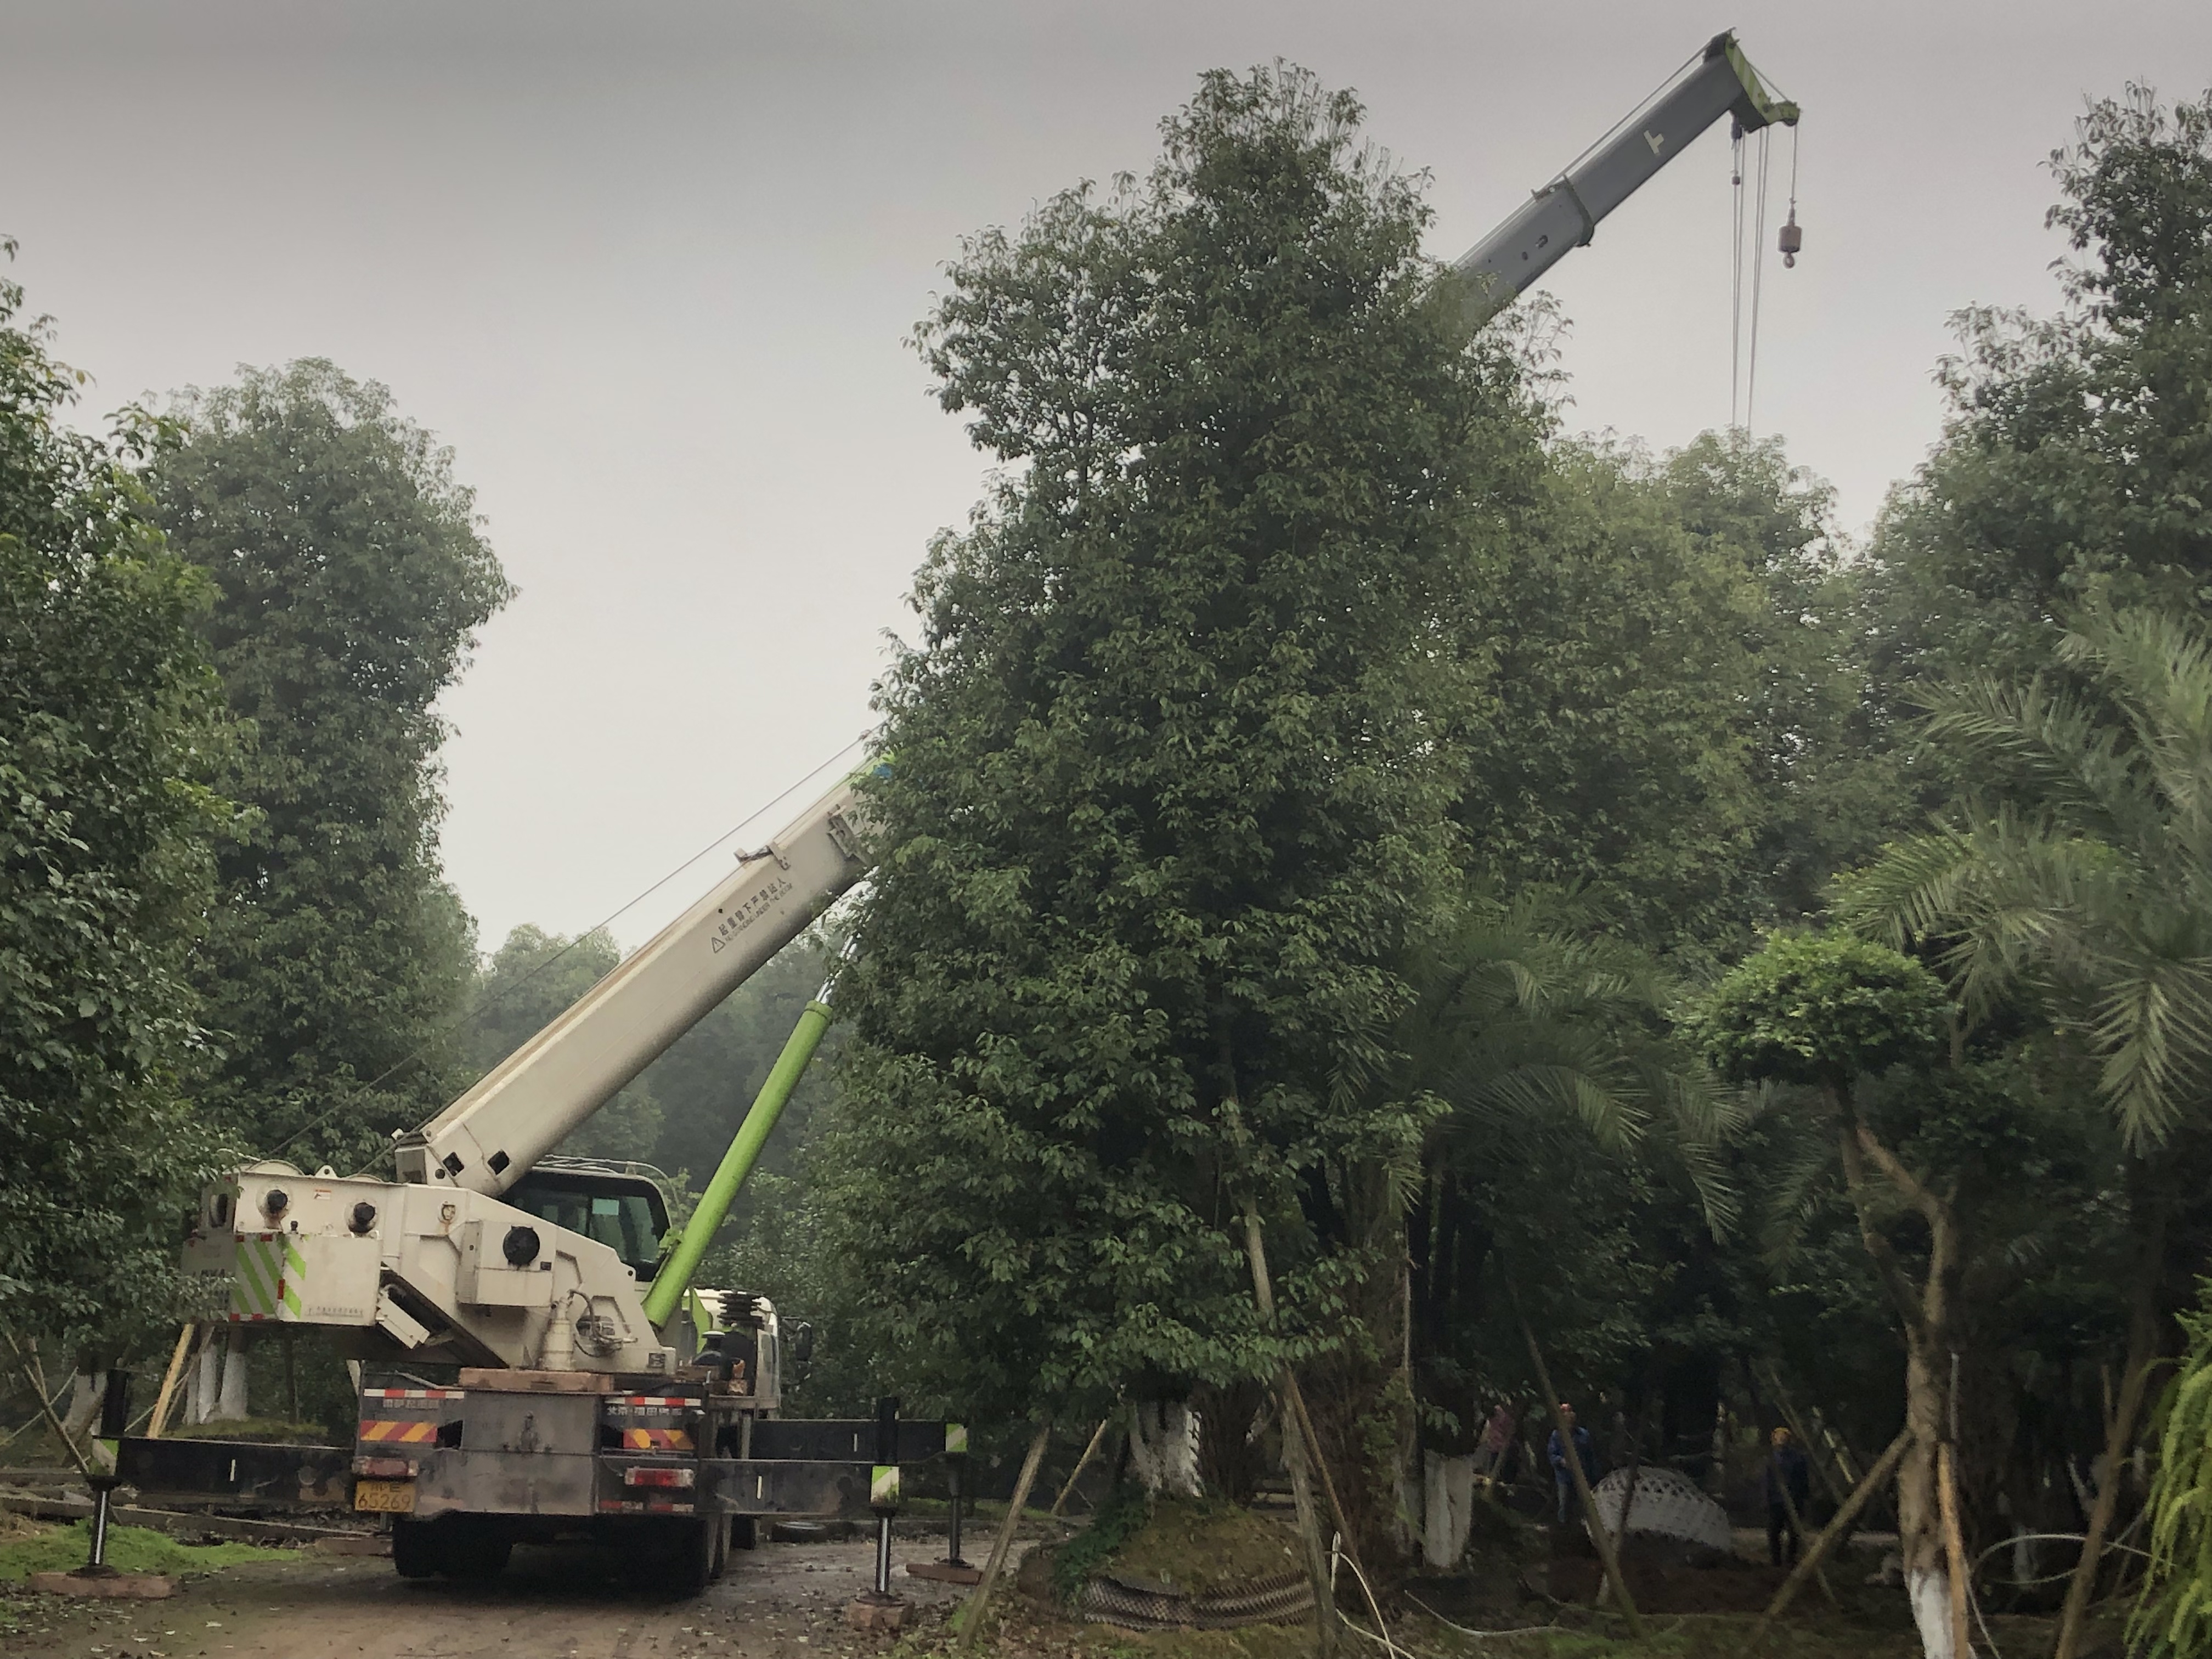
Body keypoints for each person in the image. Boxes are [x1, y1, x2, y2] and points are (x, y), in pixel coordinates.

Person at [1765, 1425, 1812, 1566]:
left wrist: (1802, 1496)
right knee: (1774, 1531)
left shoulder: (1798, 1458)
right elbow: (1767, 1480)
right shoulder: (1771, 1458)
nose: (1781, 1438)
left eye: (1784, 1436)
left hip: (1794, 1499)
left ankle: (1791, 1559)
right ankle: (1776, 1560)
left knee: (1794, 1532)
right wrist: (1767, 1497)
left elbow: (1803, 1479)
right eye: (1778, 1436)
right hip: (1776, 1501)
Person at [1547, 1403, 1597, 1525]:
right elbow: (1552, 1455)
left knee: (1584, 1503)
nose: (1569, 1415)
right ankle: (1563, 1526)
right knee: (1564, 1503)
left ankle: (1584, 1526)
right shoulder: (1556, 1435)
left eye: (1570, 1412)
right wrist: (1561, 1461)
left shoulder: (1584, 1434)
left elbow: (1590, 1456)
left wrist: (1593, 1475)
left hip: (1582, 1475)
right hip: (1564, 1476)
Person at [1477, 1400, 1516, 1479]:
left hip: (1503, 1448)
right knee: (1492, 1471)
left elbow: (1509, 1430)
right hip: (1493, 1447)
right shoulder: (1489, 1419)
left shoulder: (1502, 1416)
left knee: (1502, 1472)